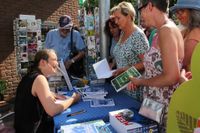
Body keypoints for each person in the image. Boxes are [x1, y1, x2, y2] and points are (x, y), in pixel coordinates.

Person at [127, 0, 184, 132]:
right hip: (155, 107)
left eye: (141, 10)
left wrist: (141, 82)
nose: (141, 15)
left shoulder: (166, 31)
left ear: (150, 5)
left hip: (163, 110)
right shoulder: (161, 31)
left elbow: (171, 77)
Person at [14, 49, 80, 133]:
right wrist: (73, 99)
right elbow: (52, 110)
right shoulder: (40, 78)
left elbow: (31, 93)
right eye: (54, 59)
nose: (57, 63)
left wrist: (52, 94)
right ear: (43, 62)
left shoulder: (30, 76)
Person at [111, 2, 149, 101]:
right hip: (123, 86)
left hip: (134, 89)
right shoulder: (123, 32)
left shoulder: (138, 36)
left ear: (129, 16)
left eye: (118, 18)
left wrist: (125, 69)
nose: (116, 21)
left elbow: (147, 63)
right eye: (114, 18)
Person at [171, 0, 200, 72]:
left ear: (193, 13)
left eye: (182, 11)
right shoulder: (188, 30)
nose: (178, 16)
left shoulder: (194, 35)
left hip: (188, 80)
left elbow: (181, 63)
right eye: (177, 12)